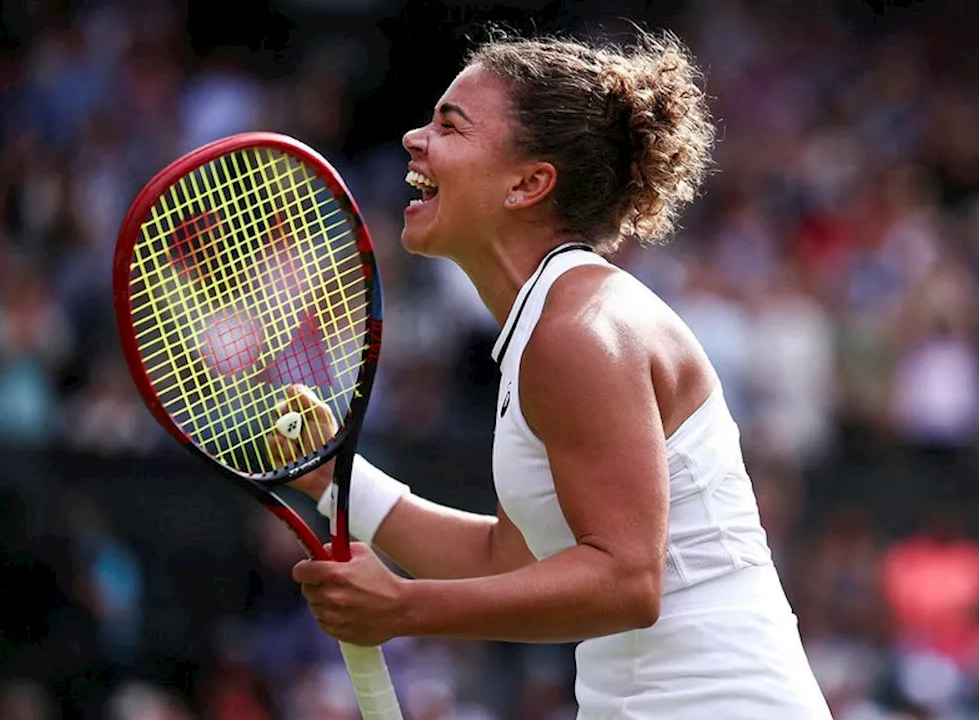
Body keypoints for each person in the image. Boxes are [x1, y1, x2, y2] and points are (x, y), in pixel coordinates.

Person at [274, 27, 833, 718]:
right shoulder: (547, 325)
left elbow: (628, 580)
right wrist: (339, 483)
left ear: (530, 183)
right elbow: (507, 558)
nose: (414, 140)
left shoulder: (578, 332)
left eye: (450, 126)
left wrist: (404, 608)